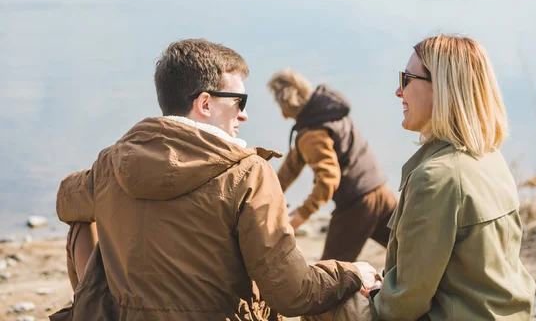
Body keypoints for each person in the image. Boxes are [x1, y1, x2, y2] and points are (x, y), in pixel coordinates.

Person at [52, 39, 378, 321]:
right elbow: (291, 294)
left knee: (82, 223)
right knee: (347, 293)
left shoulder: (111, 164)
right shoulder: (248, 174)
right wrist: (350, 272)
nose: (245, 114)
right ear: (205, 103)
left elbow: (66, 202)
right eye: (239, 102)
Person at [304, 34, 536, 321]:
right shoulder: (490, 158)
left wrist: (369, 291)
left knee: (321, 302)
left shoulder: (437, 177)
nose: (398, 92)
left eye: (406, 79)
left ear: (442, 88)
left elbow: (403, 304)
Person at [267, 70, 398, 262]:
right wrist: (271, 193)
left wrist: (303, 213)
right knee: (410, 253)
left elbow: (328, 179)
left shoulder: (312, 133)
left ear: (288, 103)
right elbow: (293, 164)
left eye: (280, 106)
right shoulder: (327, 114)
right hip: (381, 192)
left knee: (331, 274)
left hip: (356, 204)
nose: (282, 114)